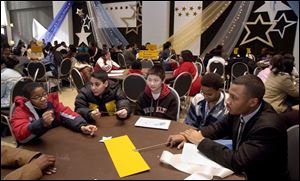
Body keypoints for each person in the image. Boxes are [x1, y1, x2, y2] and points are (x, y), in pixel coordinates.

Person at [167, 74, 287, 180]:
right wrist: (187, 136)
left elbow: (238, 161)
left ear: (253, 102)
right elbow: (217, 128)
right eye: (229, 95)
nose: (228, 101)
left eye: (234, 98)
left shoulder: (268, 128)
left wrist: (200, 141)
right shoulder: (240, 109)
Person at [11, 82, 97, 144]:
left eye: (45, 94)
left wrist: (82, 126)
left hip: (53, 143)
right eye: (37, 97)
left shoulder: (51, 103)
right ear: (28, 100)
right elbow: (20, 136)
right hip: (33, 148)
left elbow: (67, 113)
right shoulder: (21, 111)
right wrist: (41, 123)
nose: (44, 98)